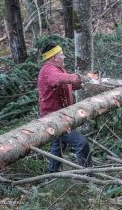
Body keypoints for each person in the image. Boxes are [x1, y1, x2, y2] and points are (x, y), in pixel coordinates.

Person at [38, 43, 96, 173]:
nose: (64, 57)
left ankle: (52, 174)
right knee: (81, 143)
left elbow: (66, 84)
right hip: (53, 118)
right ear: (54, 57)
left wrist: (85, 83)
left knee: (59, 143)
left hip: (61, 114)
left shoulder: (58, 70)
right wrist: (78, 77)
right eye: (61, 54)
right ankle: (87, 176)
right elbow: (58, 80)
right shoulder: (49, 70)